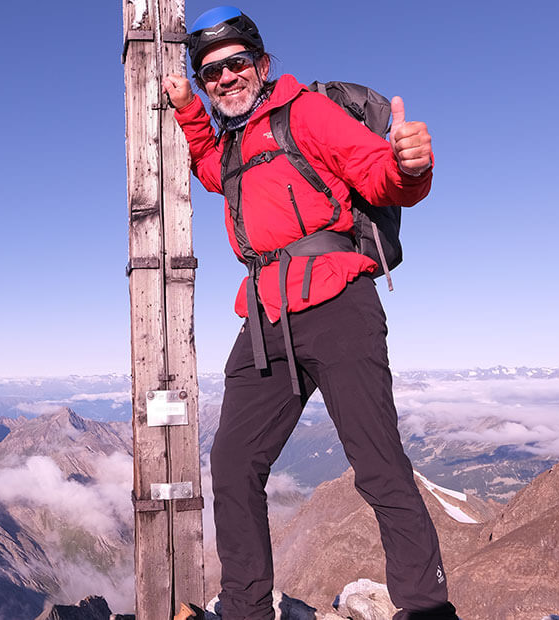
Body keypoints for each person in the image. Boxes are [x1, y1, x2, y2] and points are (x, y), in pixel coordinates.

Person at [162, 6, 458, 620]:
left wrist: (409, 165)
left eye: (236, 63)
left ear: (262, 65)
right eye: (210, 72)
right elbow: (211, 169)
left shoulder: (307, 112)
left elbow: (377, 175)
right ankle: (245, 607)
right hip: (266, 319)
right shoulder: (234, 143)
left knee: (377, 463)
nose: (224, 78)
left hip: (339, 305)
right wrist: (189, 110)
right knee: (234, 463)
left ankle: (426, 608)